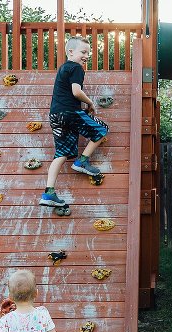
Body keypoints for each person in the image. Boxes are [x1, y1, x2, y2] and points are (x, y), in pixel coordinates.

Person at [40, 35, 109, 208]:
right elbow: (76, 91)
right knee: (101, 129)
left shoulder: (63, 68)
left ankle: (49, 193)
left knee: (61, 153)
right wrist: (90, 102)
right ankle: (82, 161)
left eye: (88, 53)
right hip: (69, 112)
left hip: (55, 116)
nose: (86, 56)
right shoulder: (76, 68)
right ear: (71, 52)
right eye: (83, 52)